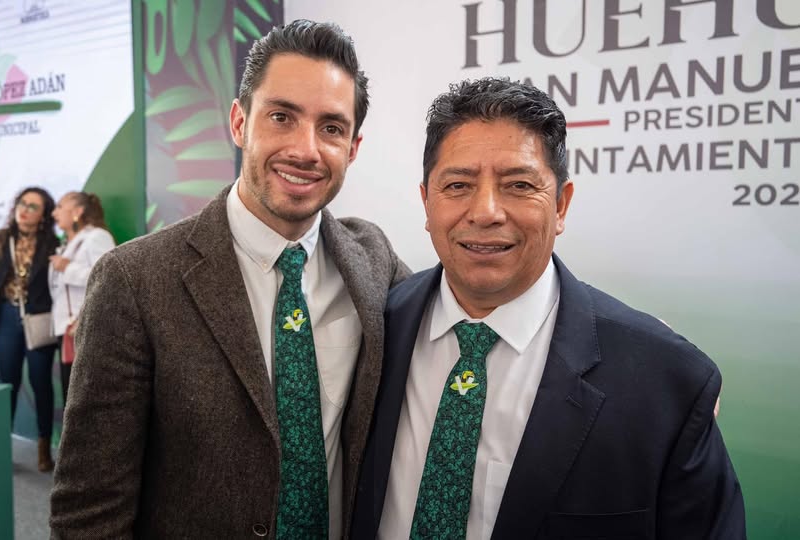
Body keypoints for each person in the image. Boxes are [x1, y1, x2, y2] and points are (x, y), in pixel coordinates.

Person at [50, 20, 409, 538]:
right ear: (240, 123)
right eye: (281, 117)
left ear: (352, 148)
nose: (305, 149)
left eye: (331, 128)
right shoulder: (133, 281)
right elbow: (89, 509)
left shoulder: (373, 259)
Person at [352, 78, 746, 539]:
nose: (485, 211)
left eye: (519, 185)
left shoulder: (667, 383)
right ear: (427, 202)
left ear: (561, 204)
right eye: (457, 185)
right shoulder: (372, 328)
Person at [0, 187, 60, 472]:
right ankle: (1, 448)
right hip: (6, 317)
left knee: (41, 382)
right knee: (7, 383)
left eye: (33, 206)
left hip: (39, 318)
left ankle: (44, 447)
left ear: (43, 214)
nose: (25, 210)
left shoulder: (52, 243)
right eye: (22, 203)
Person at [48, 191, 115, 405]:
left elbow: (108, 277)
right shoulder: (70, 243)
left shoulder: (97, 237)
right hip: (69, 328)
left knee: (83, 397)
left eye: (60, 207)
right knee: (71, 394)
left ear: (77, 212)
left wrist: (68, 268)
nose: (54, 213)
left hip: (85, 326)